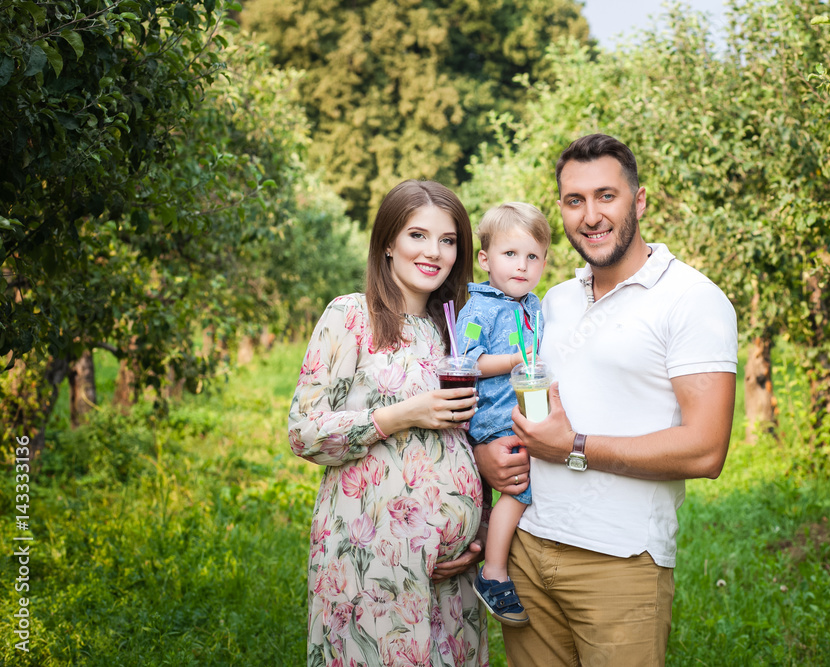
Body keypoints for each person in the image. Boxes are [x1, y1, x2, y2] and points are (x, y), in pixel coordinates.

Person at [475, 134, 739, 666]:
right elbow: (516, 396)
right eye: (575, 201)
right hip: (525, 549)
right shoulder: (553, 300)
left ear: (638, 201)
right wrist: (488, 457)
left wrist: (573, 446)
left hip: (618, 562)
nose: (590, 215)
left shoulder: (693, 300)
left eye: (606, 196)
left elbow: (706, 451)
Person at [288, 180, 490, 667]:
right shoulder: (351, 315)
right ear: (387, 243)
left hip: (449, 571)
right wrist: (401, 415)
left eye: (448, 240)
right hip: (373, 559)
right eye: (418, 235)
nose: (433, 252)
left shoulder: (458, 329)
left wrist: (479, 535)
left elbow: (478, 437)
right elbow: (304, 431)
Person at [454, 202, 551, 627]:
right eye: (510, 254)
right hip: (493, 417)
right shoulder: (479, 310)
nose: (522, 266)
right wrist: (516, 357)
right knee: (519, 486)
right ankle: (493, 574)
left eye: (533, 257)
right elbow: (467, 361)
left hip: (527, 409)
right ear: (485, 259)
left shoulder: (534, 305)